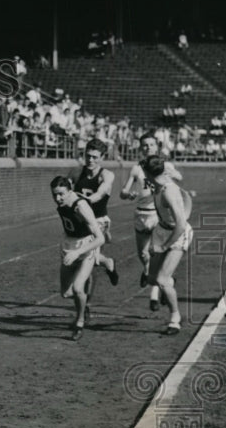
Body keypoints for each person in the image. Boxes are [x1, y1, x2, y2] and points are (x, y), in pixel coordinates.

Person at [118, 134, 184, 311]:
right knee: (143, 255)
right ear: (141, 148)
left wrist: (172, 173)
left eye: (151, 145)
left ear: (157, 147)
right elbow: (123, 192)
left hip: (157, 214)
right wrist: (127, 194)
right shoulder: (136, 169)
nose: (148, 148)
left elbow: (179, 176)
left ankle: (155, 295)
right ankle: (152, 276)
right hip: (141, 214)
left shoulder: (165, 165)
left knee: (155, 254)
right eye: (144, 145)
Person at [50, 176, 105, 341]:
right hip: (69, 246)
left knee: (77, 288)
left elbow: (100, 238)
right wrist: (69, 249)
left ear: (70, 191)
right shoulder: (62, 204)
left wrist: (78, 252)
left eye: (61, 194)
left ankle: (80, 321)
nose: (58, 198)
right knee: (66, 293)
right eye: (54, 195)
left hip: (86, 246)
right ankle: (107, 263)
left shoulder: (80, 206)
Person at [143, 156, 193, 335]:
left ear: (148, 173)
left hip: (178, 234)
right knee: (152, 279)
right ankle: (170, 281)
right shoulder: (157, 183)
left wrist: (164, 247)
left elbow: (180, 224)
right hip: (161, 230)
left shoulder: (167, 191)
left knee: (162, 280)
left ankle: (175, 319)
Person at [70, 139, 119, 287]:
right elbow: (66, 188)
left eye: (95, 157)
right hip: (81, 220)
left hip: (99, 221)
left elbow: (101, 192)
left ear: (102, 157)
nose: (90, 160)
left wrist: (88, 200)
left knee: (87, 259)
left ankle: (84, 301)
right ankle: (107, 262)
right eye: (88, 156)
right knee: (88, 260)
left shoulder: (107, 175)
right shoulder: (77, 172)